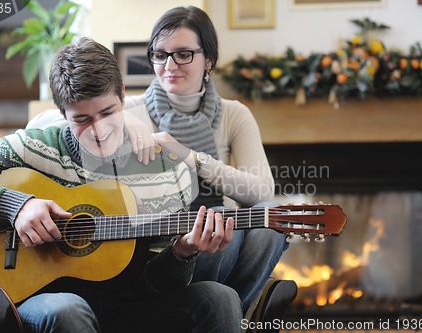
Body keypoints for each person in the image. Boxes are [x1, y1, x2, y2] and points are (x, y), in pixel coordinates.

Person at [0, 37, 243, 333]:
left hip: (127, 308)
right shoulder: (29, 149)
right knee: (68, 309)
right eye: (82, 119)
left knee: (219, 298)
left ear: (123, 96)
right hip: (39, 301)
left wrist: (184, 252)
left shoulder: (166, 170)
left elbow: (154, 285)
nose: (100, 131)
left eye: (108, 113)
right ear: (62, 114)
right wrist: (16, 206)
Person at [123, 5, 297, 326]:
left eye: (183, 54)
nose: (169, 65)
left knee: (272, 220)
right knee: (220, 232)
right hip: (166, 247)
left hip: (225, 230)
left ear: (209, 61)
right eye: (159, 55)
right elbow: (61, 120)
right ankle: (224, 315)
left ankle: (230, 315)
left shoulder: (233, 114)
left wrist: (190, 155)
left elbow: (261, 189)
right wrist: (124, 122)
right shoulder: (130, 112)